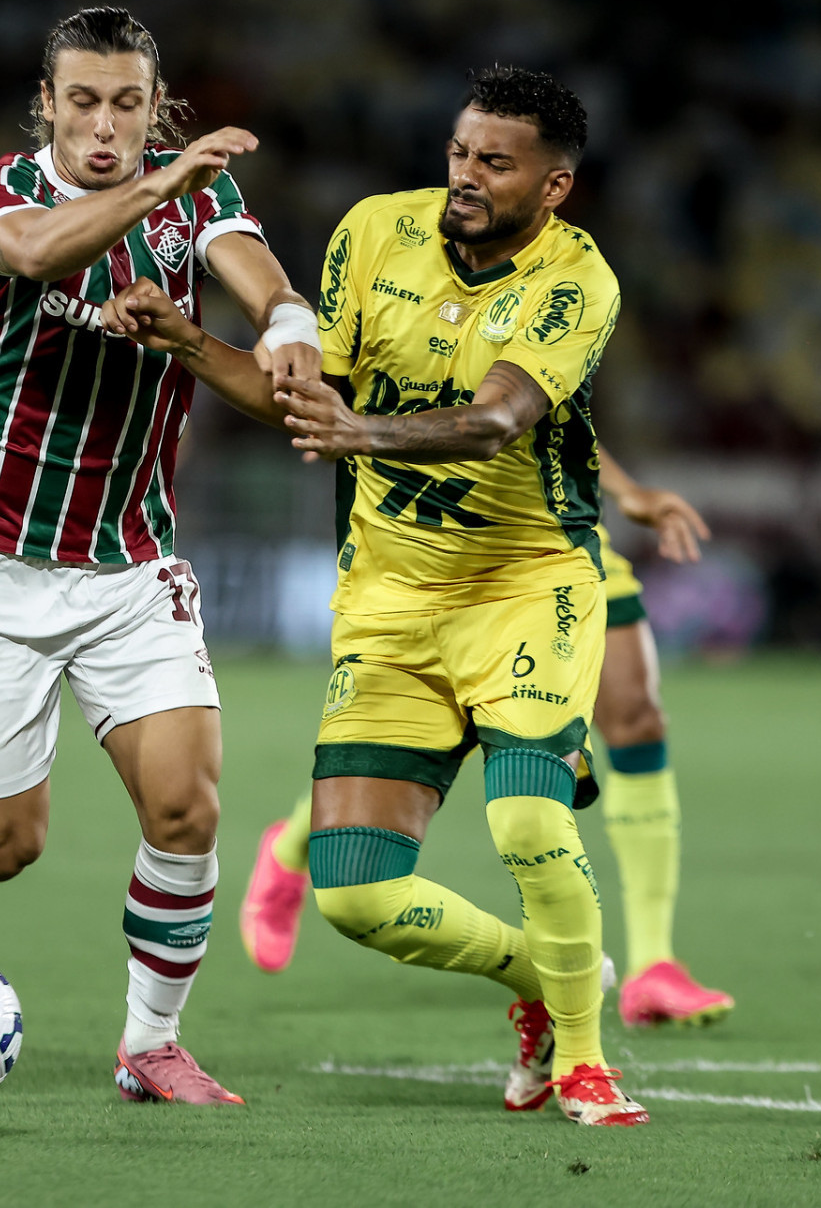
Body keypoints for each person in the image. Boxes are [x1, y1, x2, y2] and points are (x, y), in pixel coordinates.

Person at [103, 67, 647, 1125]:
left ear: (555, 187)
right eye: (459, 152)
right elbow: (306, 397)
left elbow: (494, 420)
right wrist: (190, 343)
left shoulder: (578, 282)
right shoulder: (373, 234)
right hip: (390, 600)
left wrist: (361, 434)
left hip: (526, 584)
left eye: (496, 162)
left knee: (531, 816)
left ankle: (582, 1061)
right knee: (354, 890)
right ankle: (545, 978)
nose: (466, 176)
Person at [0, 7, 320, 1108]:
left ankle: (148, 1043)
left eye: (127, 103)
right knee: (6, 844)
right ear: (47, 105)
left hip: (128, 560)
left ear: (155, 107)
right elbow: (36, 252)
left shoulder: (201, 194)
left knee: (186, 806)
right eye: (83, 101)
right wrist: (161, 187)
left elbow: (254, 277)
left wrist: (290, 322)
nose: (105, 124)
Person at [240, 454, 735, 1029]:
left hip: (550, 535)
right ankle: (296, 842)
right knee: (464, 733)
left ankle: (652, 964)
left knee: (638, 717)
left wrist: (625, 492)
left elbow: (547, 400)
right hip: (436, 541)